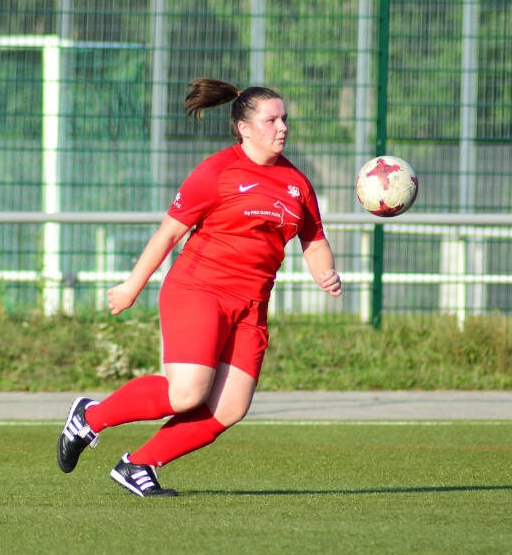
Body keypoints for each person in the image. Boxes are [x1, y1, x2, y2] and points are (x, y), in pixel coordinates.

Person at [57, 78, 342, 497]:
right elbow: (168, 234)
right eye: (271, 120)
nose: (282, 127)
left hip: (252, 305)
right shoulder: (218, 171)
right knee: (187, 394)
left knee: (229, 408)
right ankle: (90, 417)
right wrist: (132, 286)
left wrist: (325, 272)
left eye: (284, 119)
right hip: (199, 290)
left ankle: (138, 465)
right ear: (244, 128)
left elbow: (313, 239)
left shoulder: (296, 183)